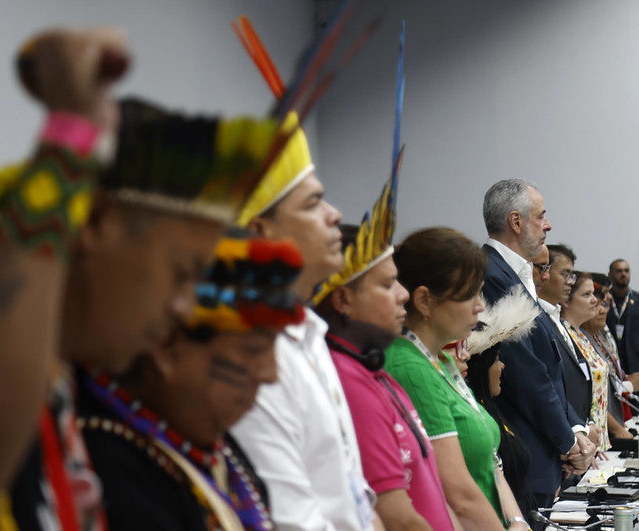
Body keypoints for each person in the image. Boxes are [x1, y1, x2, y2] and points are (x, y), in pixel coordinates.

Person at [0, 27, 292, 529]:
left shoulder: (60, 369)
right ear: (95, 226)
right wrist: (70, 141)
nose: (185, 307)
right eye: (180, 273)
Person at [229, 22, 379, 531]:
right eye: (314, 203)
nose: (336, 215)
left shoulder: (308, 332)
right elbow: (295, 520)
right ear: (261, 229)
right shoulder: (250, 349)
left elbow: (353, 492)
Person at [77, 233, 305, 530]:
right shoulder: (106, 466)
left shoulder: (220, 451)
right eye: (254, 351)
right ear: (165, 344)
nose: (271, 375)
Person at [313, 153, 459, 530]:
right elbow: (398, 519)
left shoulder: (373, 371)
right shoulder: (346, 380)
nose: (403, 295)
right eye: (385, 284)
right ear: (343, 299)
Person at [385, 227, 528, 531]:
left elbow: (491, 462)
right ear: (424, 300)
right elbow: (458, 494)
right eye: (469, 294)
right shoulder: (410, 367)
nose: (480, 305)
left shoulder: (442, 360)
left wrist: (516, 521)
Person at [480, 179, 595, 509]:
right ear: (516, 222)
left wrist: (573, 429)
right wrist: (569, 441)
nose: (548, 225)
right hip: (525, 447)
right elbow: (525, 373)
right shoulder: (493, 274)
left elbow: (549, 369)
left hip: (542, 451)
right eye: (541, 216)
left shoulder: (515, 274)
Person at [464, 285, 541, 530]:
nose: (503, 367)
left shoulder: (491, 410)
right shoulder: (479, 413)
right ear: (479, 369)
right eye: (496, 360)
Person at [537, 244, 591, 428]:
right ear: (544, 272)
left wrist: (587, 422)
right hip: (560, 432)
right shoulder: (535, 320)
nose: (570, 282)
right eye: (565, 274)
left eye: (572, 276)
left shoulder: (556, 318)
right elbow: (545, 385)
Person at [584, 274, 635, 448]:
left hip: (604, 431)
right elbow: (587, 395)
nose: (603, 308)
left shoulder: (597, 333)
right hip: (592, 435)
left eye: (605, 302)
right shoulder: (579, 336)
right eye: (598, 301)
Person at [561, 272, 610, 452]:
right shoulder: (565, 336)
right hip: (583, 444)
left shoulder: (581, 335)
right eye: (586, 295)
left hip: (596, 442)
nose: (594, 301)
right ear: (566, 300)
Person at [606, 259, 639, 379]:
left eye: (626, 271)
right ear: (610, 275)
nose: (623, 274)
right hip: (610, 363)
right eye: (619, 271)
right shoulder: (603, 300)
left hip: (637, 365)